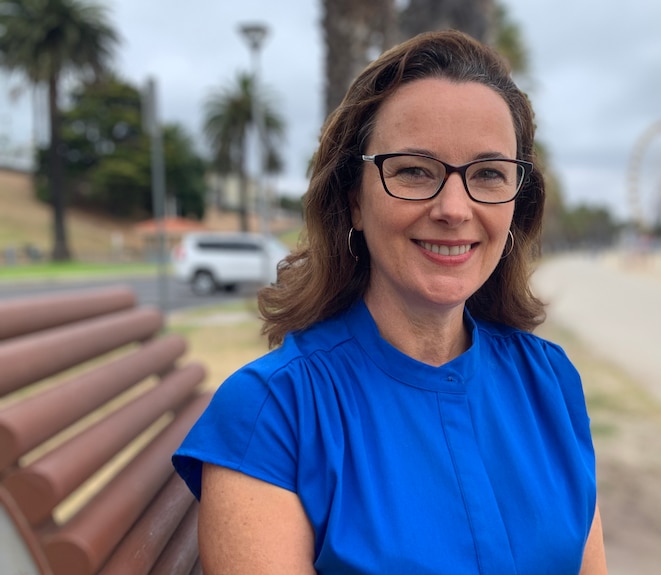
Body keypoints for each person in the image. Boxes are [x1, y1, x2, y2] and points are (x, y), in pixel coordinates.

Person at [173, 29, 607, 574]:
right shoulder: (273, 415)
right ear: (353, 200)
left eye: (489, 174)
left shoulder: (551, 381)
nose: (455, 207)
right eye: (413, 170)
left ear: (517, 206)